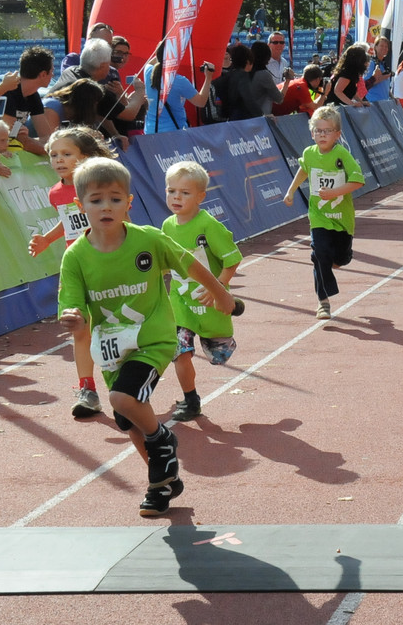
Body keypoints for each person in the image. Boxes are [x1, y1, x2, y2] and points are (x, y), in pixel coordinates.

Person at [58, 157, 236, 516]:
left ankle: (163, 441)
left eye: (114, 198)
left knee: (124, 399)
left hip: (153, 340)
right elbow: (72, 307)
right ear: (80, 206)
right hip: (111, 348)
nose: (106, 207)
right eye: (96, 200)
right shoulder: (75, 257)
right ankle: (163, 483)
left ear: (129, 202)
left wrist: (222, 294)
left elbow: (192, 264)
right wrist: (74, 320)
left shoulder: (150, 240)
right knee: (130, 421)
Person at [29, 126, 117, 417]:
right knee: (80, 328)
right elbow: (68, 223)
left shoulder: (100, 185)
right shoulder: (56, 192)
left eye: (67, 154)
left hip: (106, 262)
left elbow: (123, 221)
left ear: (85, 157)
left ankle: (125, 382)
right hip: (75, 266)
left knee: (115, 325)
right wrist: (46, 239)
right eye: (54, 155)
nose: (59, 160)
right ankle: (87, 390)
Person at [162, 161, 245, 421]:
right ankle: (191, 400)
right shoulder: (166, 227)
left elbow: (232, 259)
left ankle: (232, 307)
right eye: (171, 190)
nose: (176, 197)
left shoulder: (208, 225)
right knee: (180, 353)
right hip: (180, 302)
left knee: (219, 354)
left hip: (210, 300)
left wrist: (218, 289)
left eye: (185, 193)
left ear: (200, 197)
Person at [281, 104, 365, 320]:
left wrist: (335, 192)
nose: (322, 135)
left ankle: (331, 258)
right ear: (312, 133)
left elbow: (358, 180)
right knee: (320, 254)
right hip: (318, 216)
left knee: (340, 258)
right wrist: (291, 191)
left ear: (337, 134)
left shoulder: (341, 154)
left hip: (341, 218)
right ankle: (323, 302)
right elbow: (303, 170)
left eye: (327, 131)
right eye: (318, 131)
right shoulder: (309, 154)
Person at [144, 43, 215, 133]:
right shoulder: (179, 81)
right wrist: (208, 77)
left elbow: (151, 62)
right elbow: (201, 102)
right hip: (174, 133)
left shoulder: (148, 72)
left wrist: (164, 50)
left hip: (150, 132)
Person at [0, 46, 55, 155]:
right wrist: (57, 154)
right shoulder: (8, 92)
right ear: (43, 74)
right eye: (52, 71)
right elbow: (15, 138)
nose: (53, 75)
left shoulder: (33, 95)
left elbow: (47, 137)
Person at [250, 41, 291, 115]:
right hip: (259, 117)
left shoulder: (246, 71)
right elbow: (279, 99)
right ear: (267, 56)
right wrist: (287, 80)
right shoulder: (263, 74)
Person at [363, 36, 393, 102]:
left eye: (386, 46)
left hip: (384, 103)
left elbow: (385, 87)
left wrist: (393, 97)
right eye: (381, 46)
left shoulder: (383, 64)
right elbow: (364, 85)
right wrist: (380, 78)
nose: (384, 48)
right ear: (375, 47)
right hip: (373, 104)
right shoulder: (371, 63)